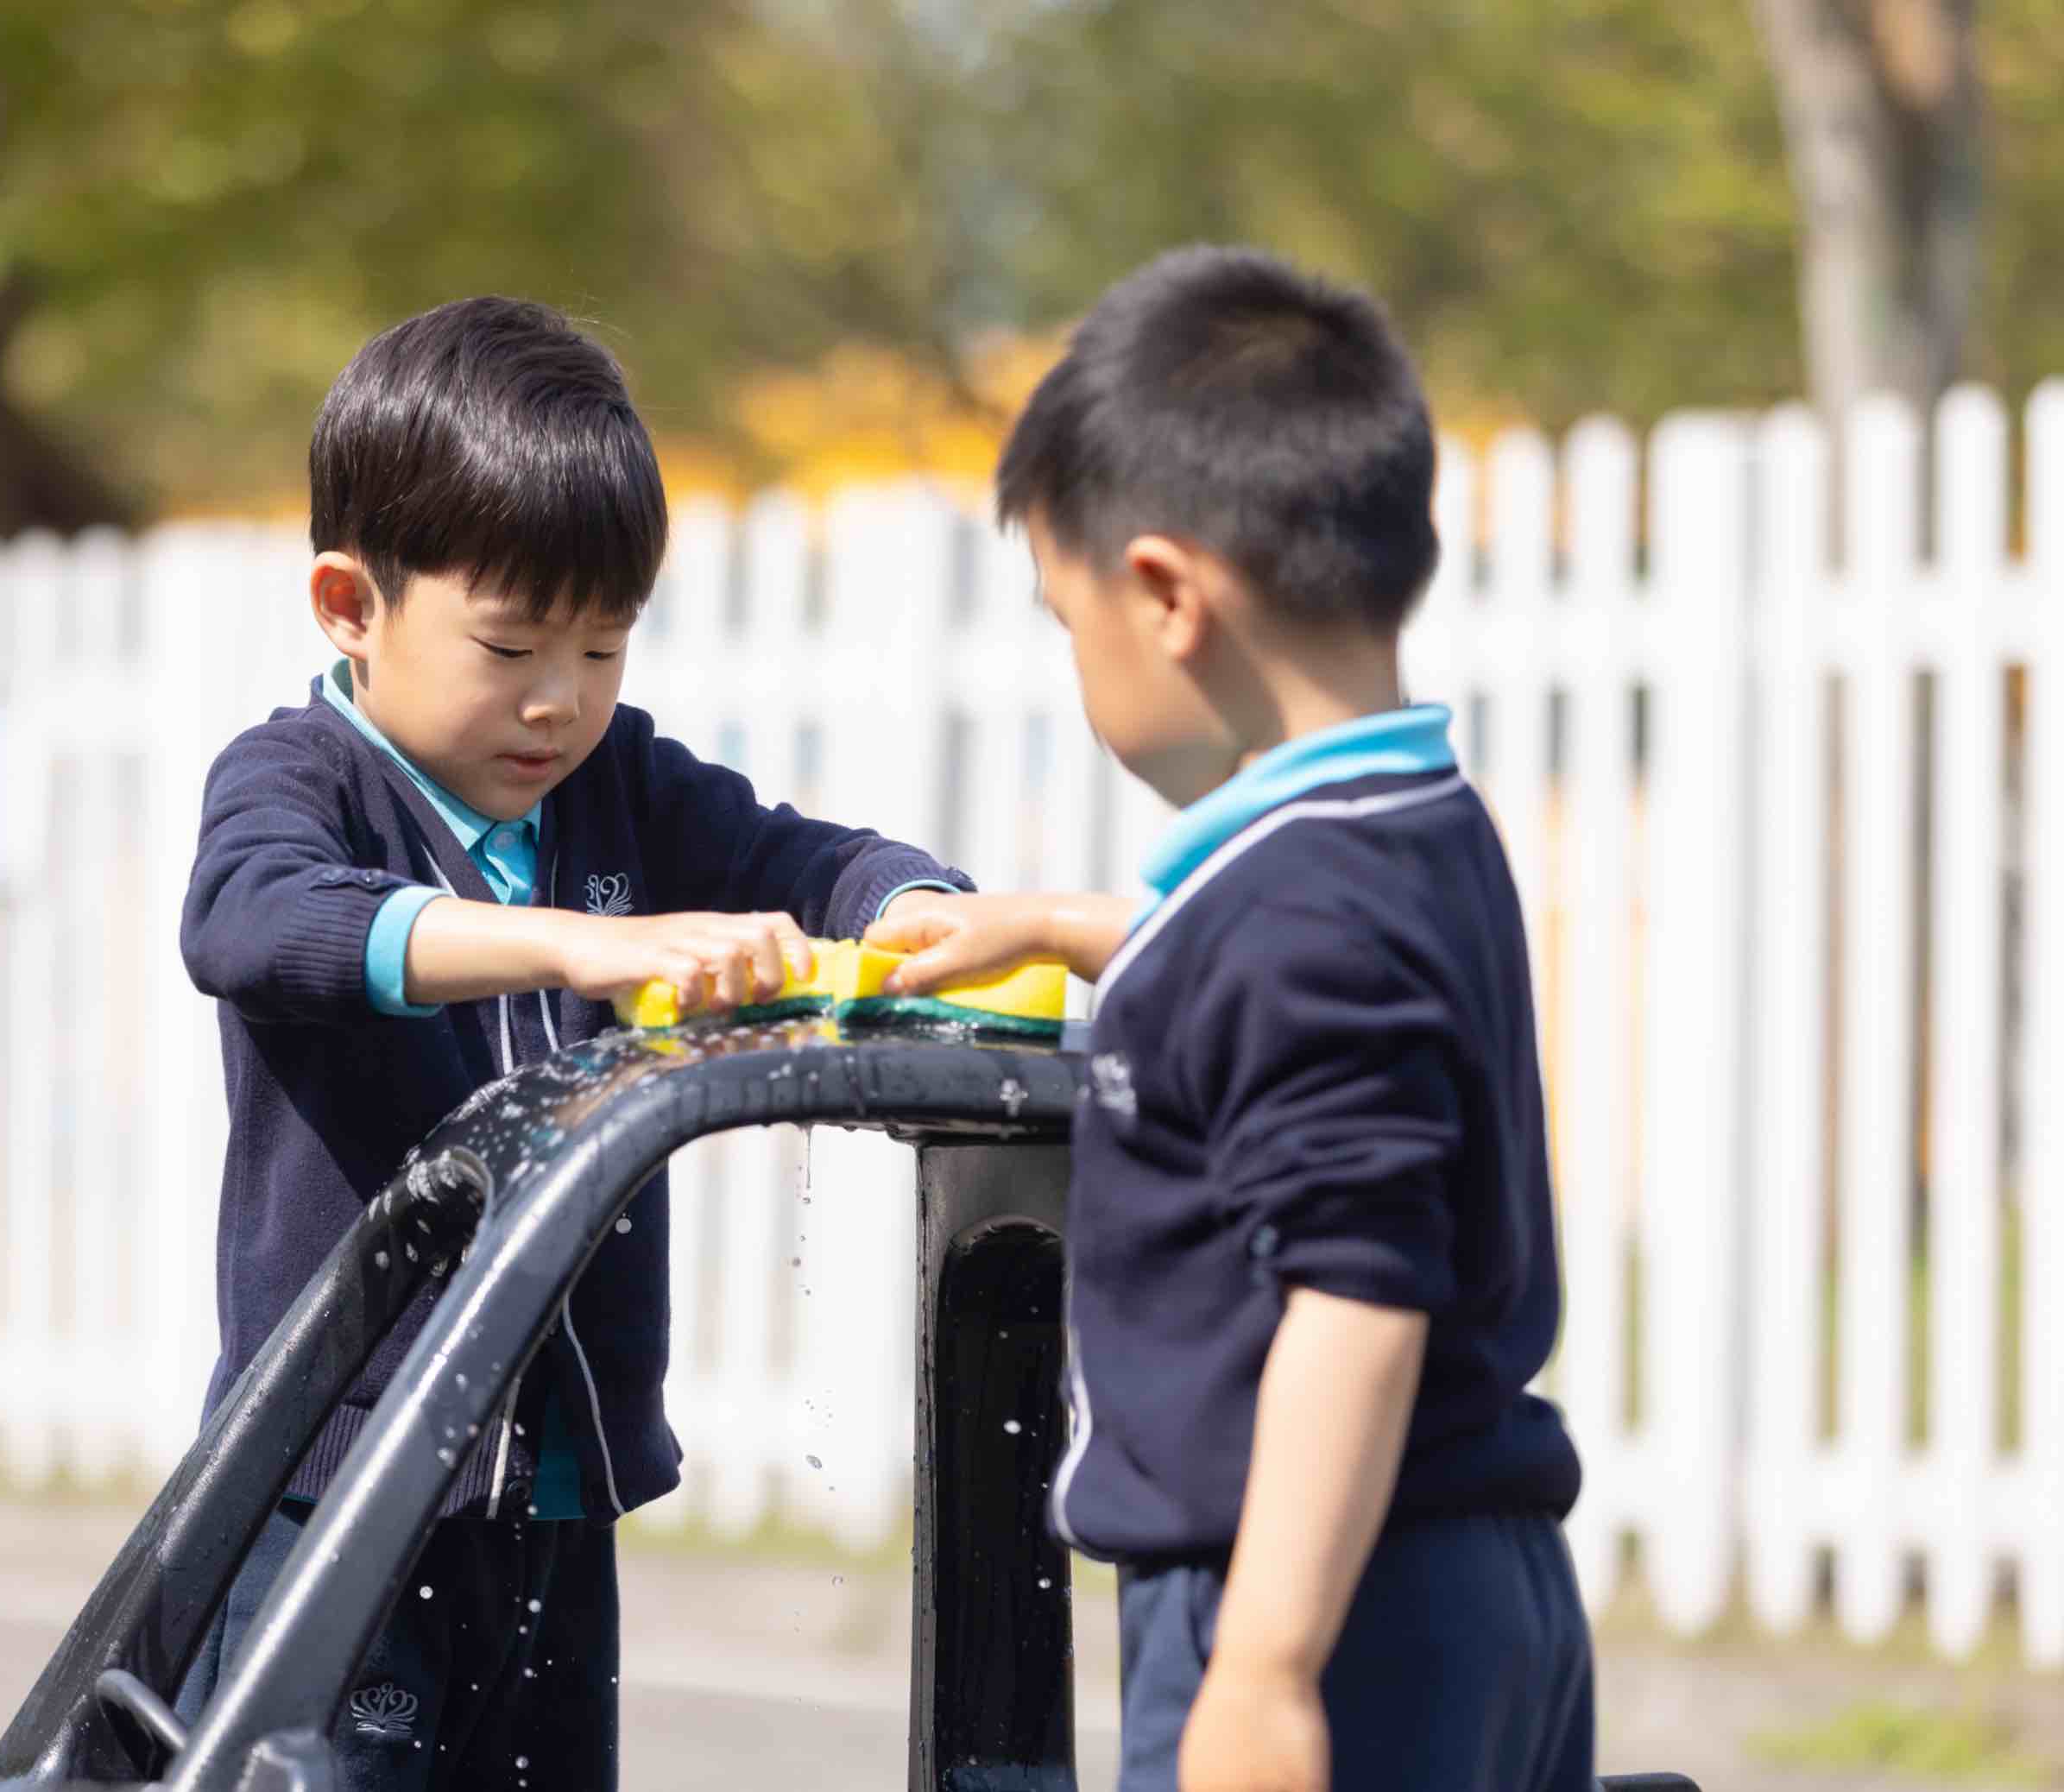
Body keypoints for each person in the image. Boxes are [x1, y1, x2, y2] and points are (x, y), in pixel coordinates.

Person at [174, 295, 966, 1789]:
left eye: (603, 647)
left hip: (549, 1487)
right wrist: (570, 944)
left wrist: (918, 910)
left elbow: (803, 855)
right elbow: (252, 922)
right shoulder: (298, 784)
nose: (561, 701)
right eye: (513, 645)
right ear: (350, 605)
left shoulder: (622, 788)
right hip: (334, 1487)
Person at [869, 247, 1588, 1792]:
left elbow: (1353, 1292)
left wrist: (1263, 1672)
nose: (1079, 673)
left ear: (1166, 597)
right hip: (1459, 1581)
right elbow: (1278, 1026)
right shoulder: (1402, 830)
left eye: (1070, 628)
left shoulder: (1300, 918)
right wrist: (1067, 929)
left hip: (1322, 1598)